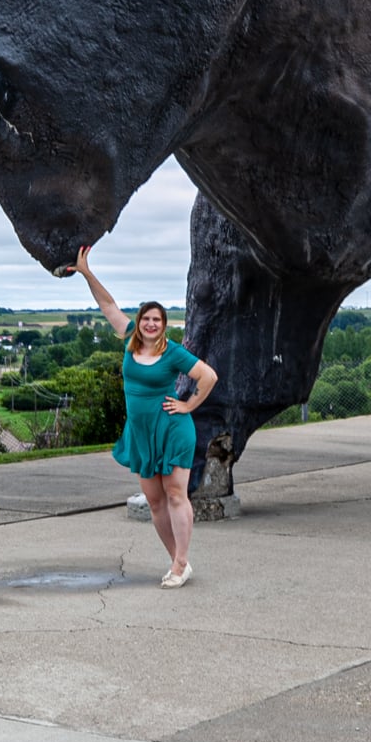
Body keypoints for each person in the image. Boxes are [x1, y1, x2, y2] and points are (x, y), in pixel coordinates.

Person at [70, 248, 217, 588]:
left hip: (171, 429)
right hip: (140, 432)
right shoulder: (129, 344)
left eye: (157, 320)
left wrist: (187, 406)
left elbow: (208, 376)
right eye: (146, 318)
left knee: (176, 495)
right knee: (154, 502)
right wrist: (87, 272)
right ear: (139, 323)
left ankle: (180, 564)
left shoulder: (172, 352)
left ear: (164, 326)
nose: (151, 324)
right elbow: (108, 306)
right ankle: (177, 560)